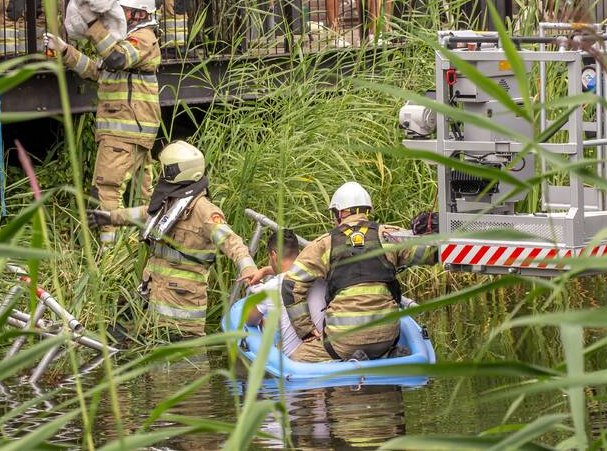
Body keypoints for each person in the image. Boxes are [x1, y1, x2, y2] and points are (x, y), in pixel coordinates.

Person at [89, 141, 261, 337]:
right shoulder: (171, 202)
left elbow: (231, 241)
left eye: (166, 170)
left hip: (183, 314)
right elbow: (146, 214)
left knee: (183, 363)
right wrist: (111, 217)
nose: (162, 175)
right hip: (155, 300)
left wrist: (248, 268)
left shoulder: (204, 210)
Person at [43, 0, 160, 244]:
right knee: (145, 196)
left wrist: (93, 23)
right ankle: (148, 248)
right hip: (132, 130)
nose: (120, 16)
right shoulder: (128, 41)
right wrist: (65, 51)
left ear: (140, 14)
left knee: (107, 189)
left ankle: (108, 257)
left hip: (123, 129)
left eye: (126, 11)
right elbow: (98, 70)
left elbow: (116, 59)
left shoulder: (142, 38)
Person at [281, 181, 437, 362]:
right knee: (383, 340)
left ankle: (351, 358)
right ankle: (385, 353)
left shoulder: (324, 244)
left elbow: (290, 285)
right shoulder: (390, 236)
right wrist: (433, 230)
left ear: (339, 213)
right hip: (386, 336)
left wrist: (306, 331)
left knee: (298, 358)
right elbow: (432, 254)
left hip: (343, 342)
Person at [246, 229, 304, 357]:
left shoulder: (271, 288)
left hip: (292, 361)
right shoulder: (316, 277)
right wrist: (266, 270)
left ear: (274, 254)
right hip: (323, 353)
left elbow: (249, 320)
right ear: (298, 253)